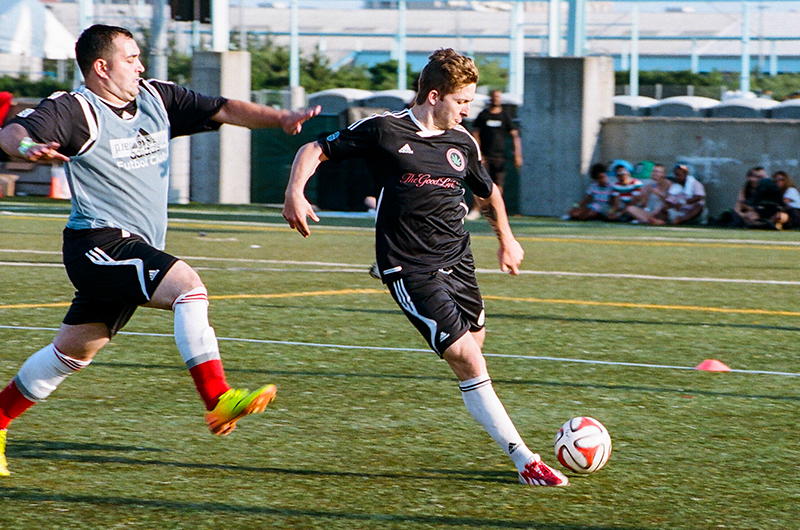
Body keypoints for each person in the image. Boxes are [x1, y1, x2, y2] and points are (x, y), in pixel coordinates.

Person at [0, 24, 321, 477]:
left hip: (133, 246)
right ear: (101, 67)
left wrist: (280, 119)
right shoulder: (75, 109)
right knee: (189, 289)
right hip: (99, 243)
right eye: (131, 58)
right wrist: (30, 148)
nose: (140, 65)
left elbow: (223, 108)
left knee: (70, 354)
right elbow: (13, 132)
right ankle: (219, 399)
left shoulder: (156, 98)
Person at [282, 49, 568, 487]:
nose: (467, 110)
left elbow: (488, 194)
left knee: (475, 347)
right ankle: (524, 458)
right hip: (408, 265)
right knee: (467, 358)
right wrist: (295, 193)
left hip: (458, 260)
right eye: (462, 101)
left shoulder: (462, 143)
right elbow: (315, 148)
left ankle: (492, 416)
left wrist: (507, 239)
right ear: (435, 96)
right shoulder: (384, 130)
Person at [465, 89, 522, 221]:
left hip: (500, 157)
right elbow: (476, 134)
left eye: (498, 97)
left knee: (498, 185)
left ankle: (497, 211)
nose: (496, 99)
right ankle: (476, 210)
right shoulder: (483, 115)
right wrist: (478, 153)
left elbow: (515, 135)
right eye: (494, 96)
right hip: (484, 156)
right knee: (479, 184)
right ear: (490, 98)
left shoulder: (505, 117)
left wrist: (518, 155)